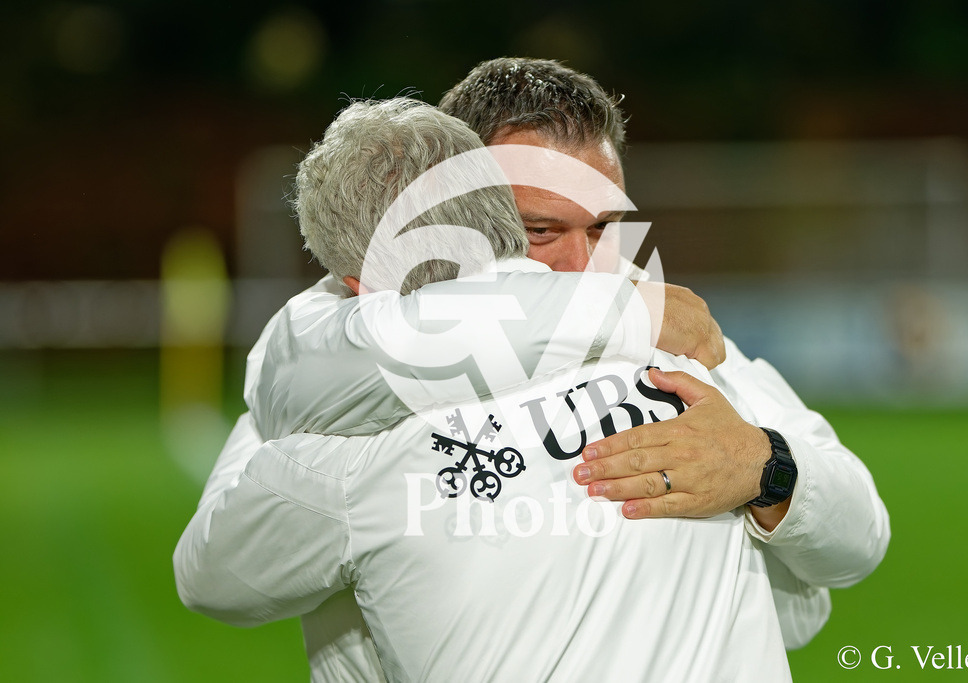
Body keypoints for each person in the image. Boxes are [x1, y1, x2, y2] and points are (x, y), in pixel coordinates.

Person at [175, 58, 888, 674]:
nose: (584, 264)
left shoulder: (678, 345)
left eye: (605, 229)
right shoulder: (346, 379)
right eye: (540, 230)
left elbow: (845, 551)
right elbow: (216, 563)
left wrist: (767, 466)